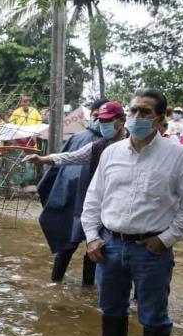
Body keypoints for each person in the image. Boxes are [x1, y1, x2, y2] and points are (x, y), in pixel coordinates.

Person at [82, 89, 183, 336]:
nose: (137, 117)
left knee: (154, 315)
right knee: (111, 309)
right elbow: (93, 200)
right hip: (109, 246)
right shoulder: (111, 153)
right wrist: (91, 237)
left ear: (160, 120)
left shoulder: (178, 156)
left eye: (145, 112)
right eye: (134, 111)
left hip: (151, 249)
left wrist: (165, 239)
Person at [24, 100, 119, 285]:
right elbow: (66, 158)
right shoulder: (87, 142)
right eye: (100, 118)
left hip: (102, 203)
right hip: (76, 200)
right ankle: (70, 285)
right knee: (71, 243)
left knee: (93, 245)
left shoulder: (121, 143)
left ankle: (78, 285)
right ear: (93, 116)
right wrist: (43, 160)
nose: (102, 123)